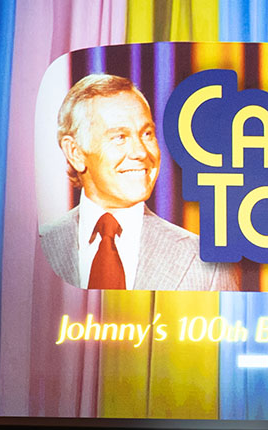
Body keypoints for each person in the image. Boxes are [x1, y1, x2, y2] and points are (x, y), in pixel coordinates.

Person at [40, 73, 240, 292]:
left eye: (146, 134)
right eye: (119, 137)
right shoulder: (34, 248)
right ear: (75, 152)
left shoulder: (205, 262)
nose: (141, 152)